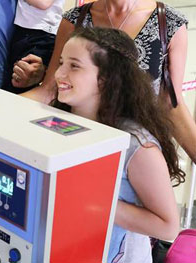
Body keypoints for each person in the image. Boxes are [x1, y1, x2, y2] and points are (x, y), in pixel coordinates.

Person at [20, 0, 196, 162]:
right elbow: (50, 91)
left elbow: (171, 105)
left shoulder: (168, 25)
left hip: (137, 158)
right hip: (78, 149)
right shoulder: (75, 20)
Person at [53, 28, 182, 262]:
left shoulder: (137, 146)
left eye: (74, 66)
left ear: (106, 78)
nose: (59, 73)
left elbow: (168, 227)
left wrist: (94, 203)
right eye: (61, 63)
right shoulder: (56, 121)